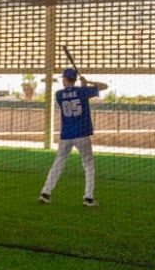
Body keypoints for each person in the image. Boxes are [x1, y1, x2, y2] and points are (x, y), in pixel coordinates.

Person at [39, 68, 107, 207]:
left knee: (59, 163)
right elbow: (104, 86)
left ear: (66, 79)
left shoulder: (58, 94)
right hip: (82, 134)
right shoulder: (83, 92)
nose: (62, 80)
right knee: (88, 165)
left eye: (63, 78)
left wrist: (83, 85)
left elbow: (72, 95)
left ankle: (45, 193)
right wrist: (87, 83)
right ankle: (88, 198)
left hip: (66, 135)